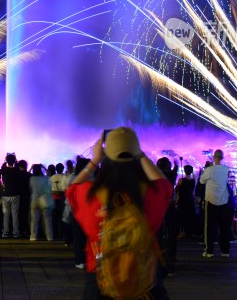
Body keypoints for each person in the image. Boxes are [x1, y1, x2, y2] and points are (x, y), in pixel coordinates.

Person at [67, 128, 173, 299]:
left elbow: (71, 189)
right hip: (143, 279)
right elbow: (164, 185)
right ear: (136, 153)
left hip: (100, 277)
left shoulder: (90, 196)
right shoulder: (151, 194)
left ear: (106, 157)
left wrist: (95, 159)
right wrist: (140, 154)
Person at [199, 150, 232, 258]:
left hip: (211, 200)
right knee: (224, 227)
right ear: (222, 158)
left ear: (214, 157)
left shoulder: (209, 170)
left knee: (209, 227)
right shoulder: (226, 169)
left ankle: (209, 251)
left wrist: (206, 169)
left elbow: (201, 181)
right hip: (224, 201)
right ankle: (225, 251)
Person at [29, 164, 54, 241]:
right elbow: (50, 174)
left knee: (34, 220)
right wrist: (44, 167)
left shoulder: (32, 179)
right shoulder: (46, 178)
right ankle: (50, 237)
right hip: (45, 200)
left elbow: (30, 188)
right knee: (47, 220)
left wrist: (31, 168)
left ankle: (33, 237)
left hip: (35, 200)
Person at [0, 153, 23, 238]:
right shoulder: (16, 170)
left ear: (6, 161)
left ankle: (5, 232)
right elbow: (16, 165)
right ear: (14, 161)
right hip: (15, 195)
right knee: (15, 215)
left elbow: (2, 166)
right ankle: (15, 232)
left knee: (6, 214)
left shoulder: (4, 170)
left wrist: (5, 160)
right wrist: (15, 159)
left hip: (5, 195)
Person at [175, 165, 197, 237]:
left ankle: (182, 232)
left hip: (182, 200)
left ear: (184, 171)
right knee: (190, 217)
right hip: (190, 200)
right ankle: (189, 232)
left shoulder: (181, 180)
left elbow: (176, 189)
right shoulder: (193, 180)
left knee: (182, 216)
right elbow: (194, 191)